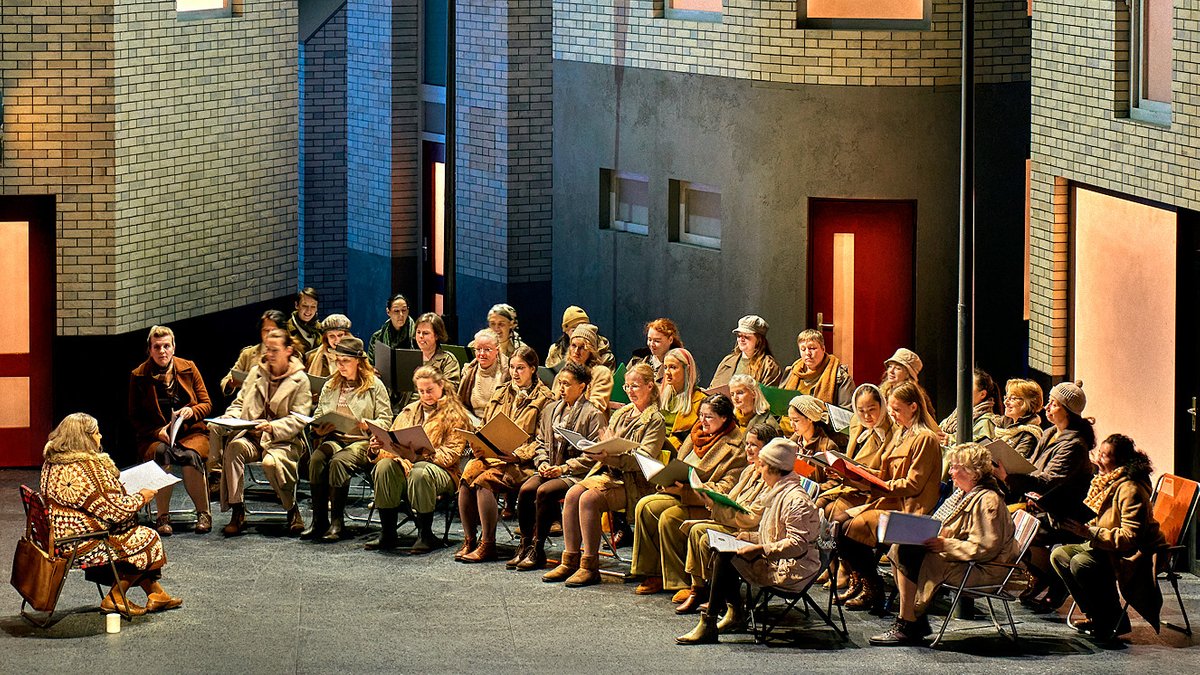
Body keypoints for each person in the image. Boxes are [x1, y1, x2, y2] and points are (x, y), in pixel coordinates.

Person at [869, 443, 1019, 646]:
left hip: (982, 569)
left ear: (973, 473)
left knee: (909, 554)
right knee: (901, 547)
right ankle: (913, 619)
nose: (950, 472)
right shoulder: (962, 495)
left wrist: (946, 545)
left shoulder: (987, 500)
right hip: (965, 561)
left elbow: (986, 547)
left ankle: (908, 623)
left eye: (955, 466)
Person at [676, 437, 822, 644]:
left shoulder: (795, 500)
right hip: (779, 558)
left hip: (794, 569)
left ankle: (714, 620)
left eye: (762, 467)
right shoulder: (779, 491)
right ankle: (731, 613)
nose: (759, 472)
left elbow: (797, 545)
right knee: (723, 548)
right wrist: (750, 537)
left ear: (773, 468)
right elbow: (775, 534)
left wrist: (760, 548)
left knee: (725, 556)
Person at [40, 413, 179, 616]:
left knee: (133, 534)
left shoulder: (52, 462)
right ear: (84, 438)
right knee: (148, 539)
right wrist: (142, 496)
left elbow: (96, 501)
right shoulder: (87, 468)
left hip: (60, 534)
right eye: (96, 433)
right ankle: (115, 597)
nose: (101, 437)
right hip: (82, 541)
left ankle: (157, 594)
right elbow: (115, 512)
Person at [543, 362, 666, 587]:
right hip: (609, 472)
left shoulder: (655, 420)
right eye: (627, 386)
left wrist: (610, 454)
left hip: (634, 482)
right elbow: (609, 442)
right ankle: (570, 558)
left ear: (650, 387)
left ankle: (590, 564)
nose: (630, 391)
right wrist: (602, 449)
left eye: (635, 386)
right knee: (573, 494)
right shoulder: (622, 413)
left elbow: (643, 458)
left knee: (589, 498)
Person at [836, 381, 942, 611]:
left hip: (909, 510)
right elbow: (884, 474)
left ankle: (872, 588)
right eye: (891, 409)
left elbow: (913, 484)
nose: (891, 414)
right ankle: (865, 581)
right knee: (839, 524)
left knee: (849, 528)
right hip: (889, 499)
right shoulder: (901, 434)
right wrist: (857, 472)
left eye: (896, 409)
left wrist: (880, 485)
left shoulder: (925, 438)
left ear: (913, 407)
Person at [993, 380, 1096, 612]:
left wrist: (1007, 475)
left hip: (1063, 512)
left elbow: (1049, 481)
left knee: (1011, 528)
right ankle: (1045, 575)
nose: (1047, 408)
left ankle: (1055, 579)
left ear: (1067, 410)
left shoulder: (1074, 443)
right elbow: (1034, 470)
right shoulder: (1050, 433)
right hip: (1042, 504)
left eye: (1053, 404)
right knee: (999, 522)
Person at [1051, 434, 1166, 641]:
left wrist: (1088, 532)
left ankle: (1111, 620)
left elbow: (1131, 536)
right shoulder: (1104, 482)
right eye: (1099, 454)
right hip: (1104, 544)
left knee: (1081, 563)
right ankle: (1095, 615)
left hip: (1131, 553)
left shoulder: (1131, 489)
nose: (1097, 459)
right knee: (1059, 554)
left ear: (1120, 461)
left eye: (1104, 456)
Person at [630, 394, 747, 596]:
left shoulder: (737, 447)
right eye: (700, 415)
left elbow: (726, 489)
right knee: (645, 506)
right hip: (682, 491)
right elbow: (680, 463)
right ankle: (654, 572)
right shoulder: (696, 435)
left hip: (708, 504)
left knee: (669, 517)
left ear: (725, 418)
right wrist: (668, 480)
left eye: (709, 417)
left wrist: (685, 490)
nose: (702, 421)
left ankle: (681, 581)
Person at [458, 345, 555, 563]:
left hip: (521, 463)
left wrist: (517, 454)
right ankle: (470, 540)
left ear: (532, 369)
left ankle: (488, 544)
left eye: (520, 368)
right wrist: (479, 442)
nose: (515, 372)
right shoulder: (501, 392)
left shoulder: (545, 399)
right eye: (512, 367)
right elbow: (485, 425)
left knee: (484, 482)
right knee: (468, 474)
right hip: (493, 455)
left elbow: (542, 439)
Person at [212, 329, 313, 537]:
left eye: (275, 350)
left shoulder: (300, 380)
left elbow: (299, 419)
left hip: (283, 440)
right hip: (253, 436)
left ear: (288, 351)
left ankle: (291, 509)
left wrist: (272, 427)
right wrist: (228, 419)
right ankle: (238, 511)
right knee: (233, 449)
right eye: (268, 349)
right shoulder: (257, 373)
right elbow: (239, 403)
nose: (270, 354)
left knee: (270, 463)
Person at [675, 423, 781, 614]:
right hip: (733, 522)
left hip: (749, 532)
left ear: (767, 449)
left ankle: (718, 593)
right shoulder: (749, 471)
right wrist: (710, 498)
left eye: (753, 445)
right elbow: (731, 499)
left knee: (704, 534)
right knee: (693, 529)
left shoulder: (771, 477)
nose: (747, 448)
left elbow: (751, 519)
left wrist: (715, 506)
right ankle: (698, 588)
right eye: (747, 444)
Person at [510, 361, 606, 571]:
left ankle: (538, 548)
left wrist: (563, 468)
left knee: (544, 491)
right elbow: (541, 442)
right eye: (560, 383)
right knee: (526, 490)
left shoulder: (593, 414)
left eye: (567, 384)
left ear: (582, 387)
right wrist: (543, 463)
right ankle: (525, 544)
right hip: (550, 468)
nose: (561, 388)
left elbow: (593, 455)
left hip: (575, 473)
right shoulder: (550, 410)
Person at [368, 366, 471, 552]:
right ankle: (388, 532)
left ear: (441, 386)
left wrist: (418, 456)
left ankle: (426, 534)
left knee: (420, 470)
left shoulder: (456, 416)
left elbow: (451, 457)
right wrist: (377, 449)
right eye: (421, 391)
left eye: (430, 390)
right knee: (384, 466)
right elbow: (392, 445)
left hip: (444, 472)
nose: (426, 395)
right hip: (408, 466)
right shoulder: (409, 411)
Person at [300, 336, 393, 542]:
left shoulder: (374, 385)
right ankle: (319, 520)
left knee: (339, 461)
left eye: (345, 361)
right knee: (316, 459)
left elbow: (386, 420)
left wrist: (368, 424)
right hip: (336, 437)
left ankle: (337, 523)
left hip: (362, 441)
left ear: (358, 362)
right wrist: (321, 429)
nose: (340, 365)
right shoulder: (331, 385)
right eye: (338, 360)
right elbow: (319, 414)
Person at [128, 325, 214, 535]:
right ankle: (162, 516)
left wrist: (190, 412)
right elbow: (135, 417)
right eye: (157, 347)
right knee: (162, 455)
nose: (162, 351)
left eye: (166, 346)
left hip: (190, 431)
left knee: (190, 455)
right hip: (155, 435)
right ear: (150, 350)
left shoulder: (188, 367)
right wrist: (157, 432)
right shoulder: (139, 375)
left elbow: (206, 403)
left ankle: (203, 513)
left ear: (174, 347)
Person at [819, 384, 893, 515]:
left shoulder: (891, 433)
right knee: (818, 505)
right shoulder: (857, 424)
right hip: (851, 485)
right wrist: (838, 469)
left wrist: (853, 472)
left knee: (833, 513)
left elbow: (885, 474)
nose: (866, 416)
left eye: (871, 409)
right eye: (861, 411)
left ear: (882, 406)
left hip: (872, 491)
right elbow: (852, 458)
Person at [220, 309, 287, 396]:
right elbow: (227, 379)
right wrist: (231, 383)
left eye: (273, 330)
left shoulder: (290, 354)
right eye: (266, 330)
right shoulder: (248, 354)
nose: (269, 334)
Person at [781, 329, 855, 407]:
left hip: (822, 419)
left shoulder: (840, 377)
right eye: (803, 349)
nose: (807, 353)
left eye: (812, 348)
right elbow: (780, 403)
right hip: (789, 418)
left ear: (823, 349)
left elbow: (846, 412)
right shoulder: (792, 371)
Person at [551, 323, 614, 412]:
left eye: (582, 347)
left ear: (591, 351)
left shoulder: (601, 373)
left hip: (589, 423)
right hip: (560, 422)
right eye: (573, 346)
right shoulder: (563, 373)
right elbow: (552, 403)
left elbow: (595, 407)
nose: (576, 351)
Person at [708, 315, 782, 389]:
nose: (741, 339)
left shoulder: (769, 366)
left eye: (746, 336)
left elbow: (769, 397)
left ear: (759, 340)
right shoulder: (727, 361)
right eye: (739, 335)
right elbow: (712, 390)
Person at [404, 312, 462, 405]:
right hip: (410, 407)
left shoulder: (447, 360)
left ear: (436, 336)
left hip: (437, 407)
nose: (420, 336)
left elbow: (451, 389)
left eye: (425, 333)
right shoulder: (409, 358)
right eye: (418, 332)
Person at [938, 367, 1001, 445]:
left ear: (982, 394)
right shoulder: (956, 415)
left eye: (968, 387)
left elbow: (977, 450)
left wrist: (950, 440)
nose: (962, 390)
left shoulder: (986, 421)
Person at [659, 347, 706, 451]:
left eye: (673, 367)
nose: (667, 372)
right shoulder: (660, 396)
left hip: (678, 452)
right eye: (665, 367)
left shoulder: (700, 400)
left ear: (687, 369)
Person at [457, 328, 509, 419]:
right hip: (473, 422)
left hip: (498, 423)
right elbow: (462, 405)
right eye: (478, 349)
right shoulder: (469, 371)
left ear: (497, 350)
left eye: (487, 349)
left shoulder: (508, 372)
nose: (482, 354)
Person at [545, 305, 616, 370]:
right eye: (574, 330)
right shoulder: (556, 351)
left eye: (582, 347)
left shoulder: (604, 356)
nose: (576, 351)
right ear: (566, 331)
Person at [994, 378, 1045, 458]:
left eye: (1012, 398)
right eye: (1006, 397)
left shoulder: (1029, 434)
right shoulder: (1003, 424)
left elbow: (1016, 464)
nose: (1005, 402)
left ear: (1028, 402)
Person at [786, 394, 846, 461]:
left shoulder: (828, 447)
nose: (792, 425)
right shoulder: (792, 443)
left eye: (796, 420)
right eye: (790, 420)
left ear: (810, 419)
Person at [879, 347, 934, 416]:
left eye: (897, 368)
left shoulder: (916, 397)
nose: (891, 371)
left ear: (908, 375)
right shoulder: (883, 392)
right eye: (890, 366)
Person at [628, 318, 684, 382]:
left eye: (657, 341)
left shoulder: (678, 362)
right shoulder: (638, 359)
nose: (652, 344)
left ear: (670, 340)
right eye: (649, 339)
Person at [367, 294, 419, 363]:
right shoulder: (377, 337)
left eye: (404, 310)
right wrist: (373, 370)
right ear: (388, 312)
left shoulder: (417, 335)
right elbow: (369, 365)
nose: (401, 315)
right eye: (396, 311)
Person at [287, 287, 322, 356]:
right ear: (297, 305)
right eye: (304, 305)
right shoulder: (286, 330)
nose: (308, 310)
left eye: (313, 306)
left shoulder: (322, 330)